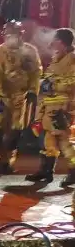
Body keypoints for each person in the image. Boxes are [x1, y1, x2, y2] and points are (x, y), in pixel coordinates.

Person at [0, 20, 40, 175]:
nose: (12, 38)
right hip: (3, 97)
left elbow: (36, 73)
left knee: (14, 133)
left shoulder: (30, 52)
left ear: (21, 35)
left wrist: (33, 91)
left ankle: (7, 162)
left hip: (20, 98)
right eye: (9, 35)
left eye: (15, 35)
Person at [26, 28, 75, 185]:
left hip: (63, 109)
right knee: (48, 142)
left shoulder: (72, 59)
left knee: (65, 142)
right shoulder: (57, 60)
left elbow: (72, 83)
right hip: (50, 108)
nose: (52, 43)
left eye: (55, 40)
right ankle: (46, 172)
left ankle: (74, 172)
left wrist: (52, 85)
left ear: (61, 42)